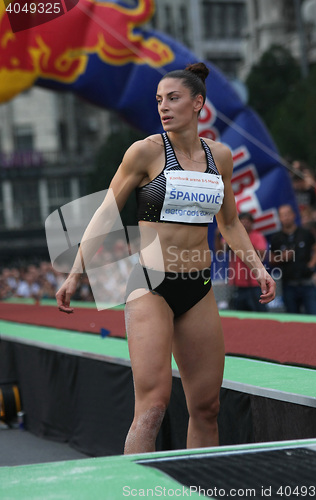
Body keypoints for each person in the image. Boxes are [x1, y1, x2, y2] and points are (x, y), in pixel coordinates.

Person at [55, 63, 276, 454]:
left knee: (207, 408)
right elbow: (106, 212)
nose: (164, 107)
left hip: (198, 288)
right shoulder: (145, 152)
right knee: (152, 407)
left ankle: (199, 490)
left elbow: (229, 222)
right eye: (159, 100)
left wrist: (258, 268)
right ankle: (137, 491)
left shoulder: (220, 157)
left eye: (173, 98)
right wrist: (75, 272)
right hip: (149, 285)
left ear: (198, 104)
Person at [270, 204, 316, 315]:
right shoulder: (276, 238)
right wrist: (281, 258)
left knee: (314, 314)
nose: (286, 217)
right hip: (289, 283)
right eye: (283, 215)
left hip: (307, 282)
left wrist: (312, 264)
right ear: (279, 218)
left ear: (294, 215)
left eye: (288, 214)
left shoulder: (305, 233)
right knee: (292, 318)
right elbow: (271, 259)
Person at [215, 212, 268, 312]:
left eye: (247, 221)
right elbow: (219, 252)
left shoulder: (257, 236)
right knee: (239, 317)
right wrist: (217, 236)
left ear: (252, 223)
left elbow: (262, 255)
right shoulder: (233, 236)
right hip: (237, 285)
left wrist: (243, 245)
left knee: (260, 314)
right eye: (242, 221)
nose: (244, 224)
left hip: (255, 284)